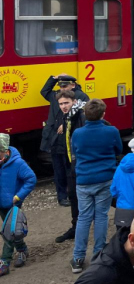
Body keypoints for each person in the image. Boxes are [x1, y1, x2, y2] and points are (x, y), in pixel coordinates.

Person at [70, 98, 123, 274]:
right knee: (101, 216)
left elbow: (75, 151)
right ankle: (98, 253)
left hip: (84, 180)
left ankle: (77, 258)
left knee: (84, 217)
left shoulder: (77, 133)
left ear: (85, 114)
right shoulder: (111, 131)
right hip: (105, 178)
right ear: (103, 114)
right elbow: (118, 150)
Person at [40, 73, 88, 206]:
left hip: (69, 139)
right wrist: (53, 79)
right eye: (60, 86)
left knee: (70, 170)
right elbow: (44, 92)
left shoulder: (81, 96)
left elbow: (83, 112)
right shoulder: (56, 96)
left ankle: (72, 195)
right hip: (55, 139)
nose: (62, 88)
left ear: (73, 85)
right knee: (59, 170)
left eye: (65, 85)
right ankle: (62, 197)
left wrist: (66, 122)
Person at [53, 90, 88, 244]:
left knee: (103, 195)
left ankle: (129, 215)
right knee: (73, 195)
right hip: (72, 164)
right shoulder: (68, 116)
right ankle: (75, 227)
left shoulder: (80, 115)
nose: (63, 106)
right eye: (61, 104)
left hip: (81, 165)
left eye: (66, 103)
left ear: (74, 101)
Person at [0, 133, 36, 277]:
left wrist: (18, 197)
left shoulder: (18, 163)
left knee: (9, 232)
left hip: (12, 204)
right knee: (12, 230)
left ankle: (4, 261)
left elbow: (31, 179)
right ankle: (22, 250)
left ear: (4, 151)